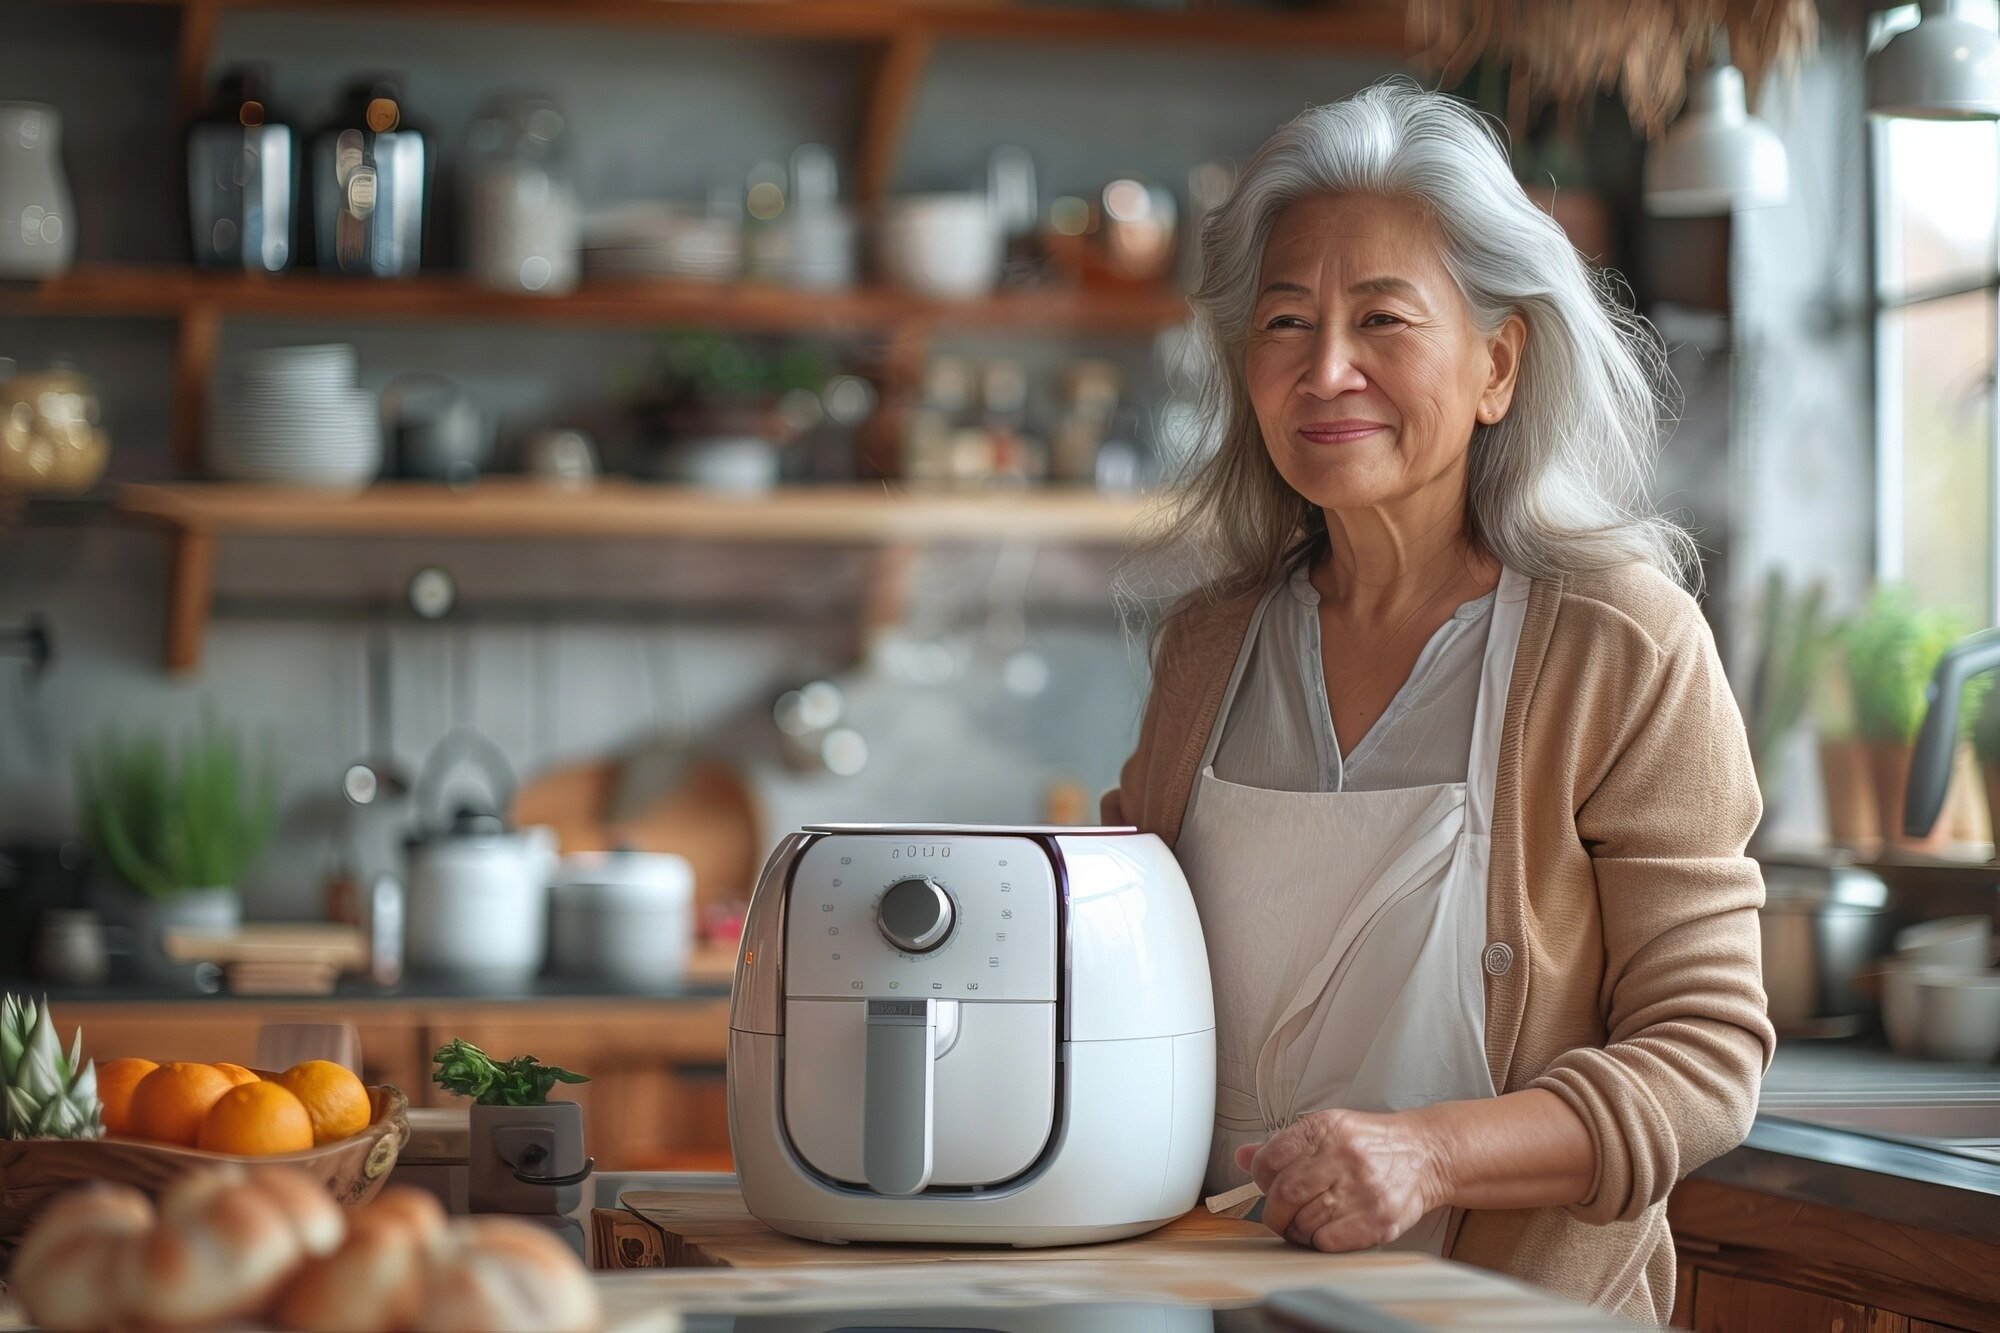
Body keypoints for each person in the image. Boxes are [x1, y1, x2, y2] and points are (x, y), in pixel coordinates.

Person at [1102, 80, 1772, 1323]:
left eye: (1382, 319)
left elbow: (1704, 1058)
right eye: (1285, 323)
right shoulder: (1207, 649)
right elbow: (1109, 961)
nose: (1326, 369)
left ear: (1496, 366)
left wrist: (1429, 1153)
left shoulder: (1617, 643)